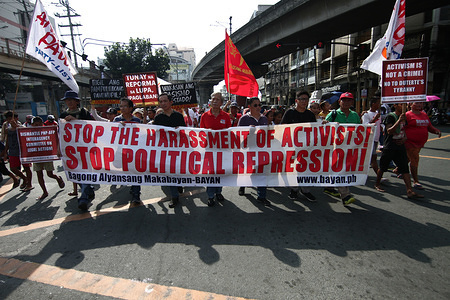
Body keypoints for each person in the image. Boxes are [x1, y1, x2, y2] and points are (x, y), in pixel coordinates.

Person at [375, 103, 423, 199]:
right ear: (396, 105)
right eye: (402, 105)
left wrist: (404, 138)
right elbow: (389, 131)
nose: (404, 107)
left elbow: (404, 130)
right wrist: (399, 120)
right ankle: (377, 184)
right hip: (390, 146)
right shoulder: (390, 116)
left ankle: (409, 190)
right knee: (383, 166)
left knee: (404, 167)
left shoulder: (404, 117)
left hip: (400, 146)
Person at [59, 90, 95, 211]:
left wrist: (75, 120)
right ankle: (88, 191)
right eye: (67, 100)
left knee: (84, 172)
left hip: (85, 148)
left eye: (71, 100)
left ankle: (83, 198)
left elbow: (92, 126)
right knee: (76, 174)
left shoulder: (84, 112)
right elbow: (60, 133)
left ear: (76, 102)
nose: (69, 102)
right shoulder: (63, 115)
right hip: (71, 150)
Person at [325, 92, 361, 206]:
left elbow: (360, 130)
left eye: (348, 100)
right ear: (339, 102)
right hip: (336, 148)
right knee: (339, 169)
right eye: (343, 100)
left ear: (352, 102)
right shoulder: (333, 114)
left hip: (350, 148)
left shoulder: (355, 115)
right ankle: (345, 196)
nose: (346, 103)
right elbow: (324, 129)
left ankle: (329, 187)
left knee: (344, 170)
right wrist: (325, 123)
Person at [281, 91, 317, 202]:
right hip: (292, 147)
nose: (304, 101)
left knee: (306, 168)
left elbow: (316, 130)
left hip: (306, 147)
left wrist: (323, 125)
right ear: (296, 100)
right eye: (302, 99)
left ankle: (306, 190)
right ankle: (294, 189)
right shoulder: (289, 113)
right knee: (293, 169)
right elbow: (282, 128)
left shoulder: (310, 115)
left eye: (306, 99)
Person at [152, 93, 186, 208]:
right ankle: (174, 196)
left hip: (177, 149)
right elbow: (156, 135)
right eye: (160, 102)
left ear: (171, 102)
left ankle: (179, 184)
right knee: (169, 173)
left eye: (165, 101)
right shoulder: (158, 118)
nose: (163, 104)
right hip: (165, 151)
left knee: (178, 171)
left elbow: (185, 132)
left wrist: (179, 130)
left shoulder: (178, 116)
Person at [237, 97, 271, 206]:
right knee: (247, 171)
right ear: (249, 107)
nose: (258, 107)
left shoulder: (264, 119)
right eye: (255, 105)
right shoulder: (244, 119)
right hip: (248, 151)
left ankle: (262, 196)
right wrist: (248, 132)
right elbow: (238, 137)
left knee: (262, 173)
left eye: (259, 105)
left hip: (261, 151)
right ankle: (242, 186)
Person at [200, 92, 231, 206]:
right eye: (213, 99)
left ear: (222, 102)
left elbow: (229, 133)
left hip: (222, 150)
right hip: (209, 150)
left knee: (220, 172)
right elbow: (201, 133)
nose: (214, 101)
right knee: (211, 174)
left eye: (217, 99)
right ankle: (210, 195)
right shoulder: (204, 116)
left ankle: (219, 192)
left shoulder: (226, 116)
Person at [404, 102, 441, 190]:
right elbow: (401, 127)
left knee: (409, 158)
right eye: (417, 103)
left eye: (421, 103)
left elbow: (429, 127)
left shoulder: (424, 115)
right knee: (415, 159)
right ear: (410, 104)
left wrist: (436, 131)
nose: (420, 105)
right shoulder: (407, 115)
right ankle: (415, 181)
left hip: (420, 143)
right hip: (410, 142)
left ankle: (398, 169)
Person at [113, 98, 143, 206]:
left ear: (130, 108)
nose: (122, 108)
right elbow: (112, 135)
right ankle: (132, 188)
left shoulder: (137, 121)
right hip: (121, 151)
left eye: (125, 106)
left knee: (135, 171)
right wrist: (117, 127)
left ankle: (136, 194)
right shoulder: (116, 120)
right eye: (121, 106)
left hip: (134, 151)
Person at [30, 117, 65, 200]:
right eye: (35, 125)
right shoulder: (28, 133)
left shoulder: (47, 132)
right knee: (39, 174)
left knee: (50, 174)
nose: (37, 127)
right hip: (36, 156)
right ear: (32, 125)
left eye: (39, 125)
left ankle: (58, 178)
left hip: (46, 155)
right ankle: (44, 192)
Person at [3, 111, 33, 191]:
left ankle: (29, 184)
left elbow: (26, 136)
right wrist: (5, 152)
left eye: (11, 118)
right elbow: (8, 141)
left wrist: (16, 127)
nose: (10, 121)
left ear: (16, 118)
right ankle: (24, 178)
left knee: (27, 168)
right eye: (8, 119)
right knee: (13, 168)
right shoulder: (8, 129)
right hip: (13, 151)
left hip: (23, 151)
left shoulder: (22, 127)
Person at [361, 93, 387, 181]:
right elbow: (366, 126)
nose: (379, 105)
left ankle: (362, 173)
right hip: (369, 139)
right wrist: (375, 119)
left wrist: (382, 128)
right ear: (373, 104)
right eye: (378, 103)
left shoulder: (377, 113)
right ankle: (379, 176)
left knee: (369, 158)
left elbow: (379, 125)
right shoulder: (366, 114)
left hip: (376, 138)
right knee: (373, 158)